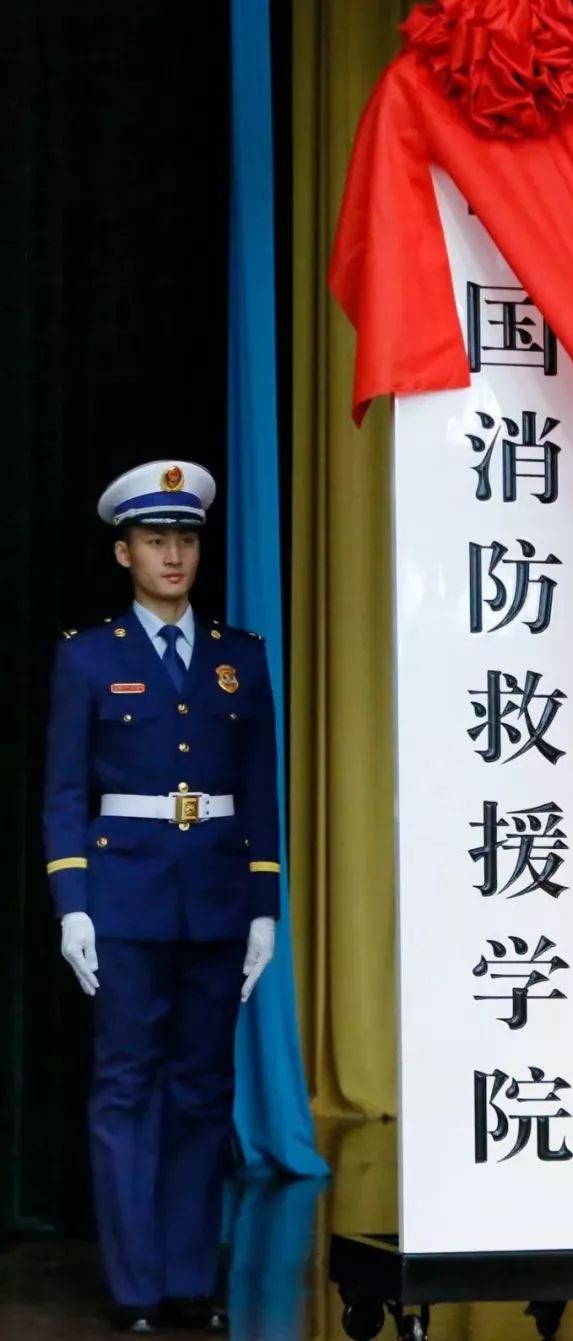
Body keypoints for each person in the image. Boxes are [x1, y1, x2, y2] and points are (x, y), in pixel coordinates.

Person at [43, 461, 281, 1335]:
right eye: (155, 540)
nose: (173, 554)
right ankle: (137, 1286)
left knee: (201, 1089)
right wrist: (73, 902)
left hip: (217, 894)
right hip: (127, 896)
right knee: (126, 1087)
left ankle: (189, 1278)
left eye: (185, 538)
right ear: (124, 551)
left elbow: (261, 787)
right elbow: (64, 789)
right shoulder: (89, 656)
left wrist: (265, 905)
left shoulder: (237, 657)